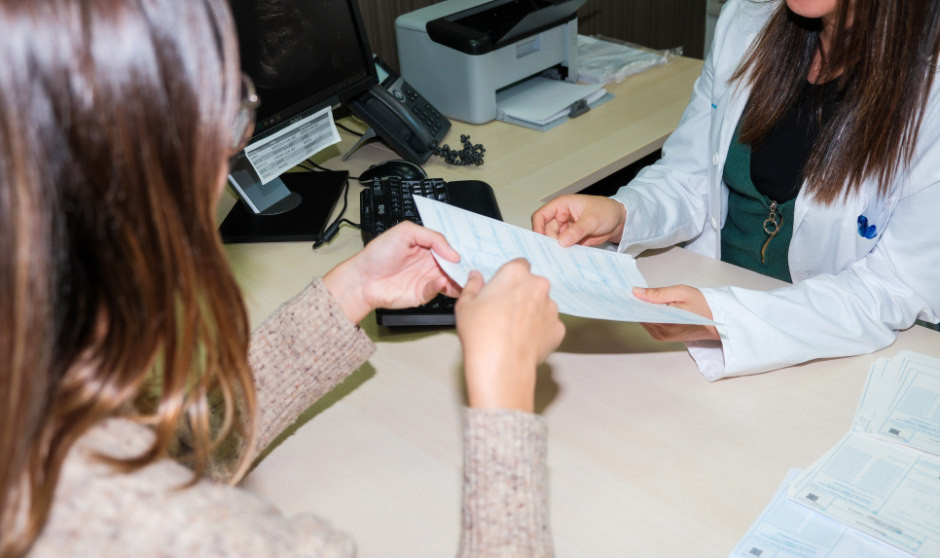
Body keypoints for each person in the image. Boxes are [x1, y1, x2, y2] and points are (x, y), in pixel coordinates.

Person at [0, 1, 565, 557]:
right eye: (226, 110)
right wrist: (503, 399)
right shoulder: (160, 526)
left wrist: (354, 290)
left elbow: (184, 453)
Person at [532, 0, 940, 380]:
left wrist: (725, 317)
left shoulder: (930, 92)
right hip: (708, 306)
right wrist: (623, 213)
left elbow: (892, 289)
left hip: (836, 355)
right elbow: (688, 175)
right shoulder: (746, 19)